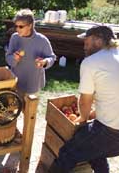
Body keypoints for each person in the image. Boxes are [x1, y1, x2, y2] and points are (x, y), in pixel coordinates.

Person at [49, 26, 119, 173]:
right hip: (113, 128)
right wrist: (94, 115)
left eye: (86, 42)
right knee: (92, 146)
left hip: (112, 132)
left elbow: (85, 101)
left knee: (68, 153)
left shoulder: (92, 62)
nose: (84, 47)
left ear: (98, 41)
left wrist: (82, 120)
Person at [5, 9, 56, 95]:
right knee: (16, 106)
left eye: (21, 26)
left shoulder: (42, 40)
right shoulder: (14, 38)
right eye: (16, 26)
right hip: (16, 81)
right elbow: (8, 57)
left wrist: (45, 62)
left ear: (30, 25)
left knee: (30, 107)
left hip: (34, 82)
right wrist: (14, 58)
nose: (17, 29)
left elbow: (52, 57)